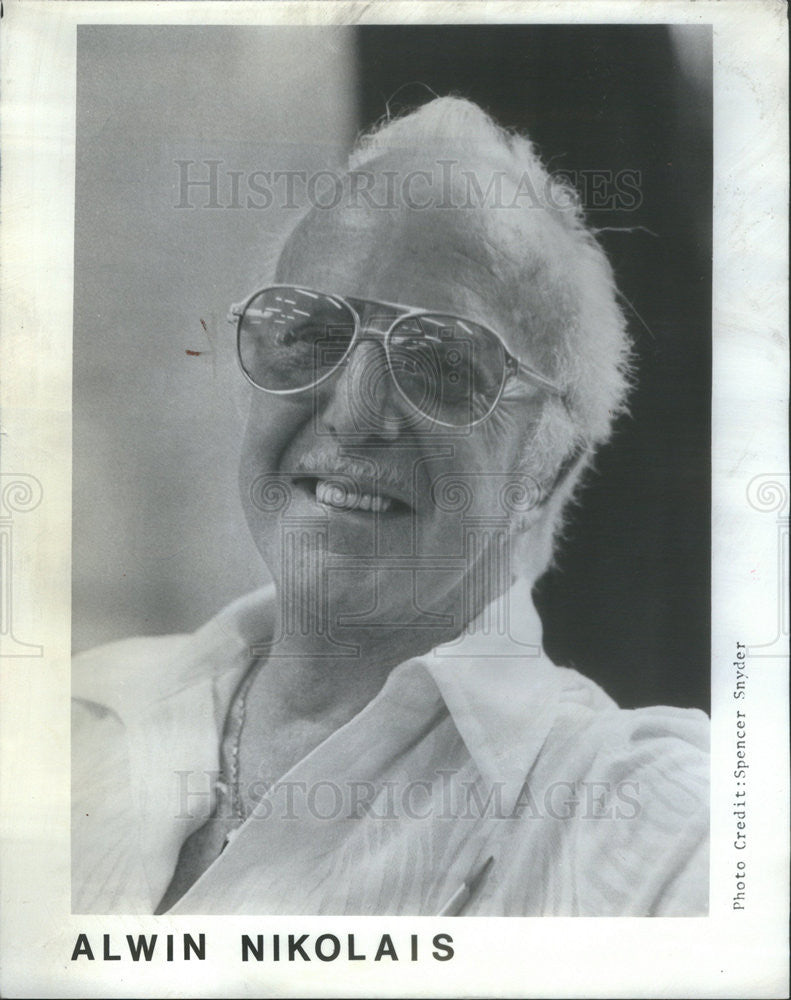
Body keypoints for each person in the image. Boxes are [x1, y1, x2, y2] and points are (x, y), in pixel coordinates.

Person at [72, 97, 709, 916]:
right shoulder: (76, 713)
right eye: (305, 335)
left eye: (443, 364)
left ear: (546, 474)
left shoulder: (659, 832)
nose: (352, 413)